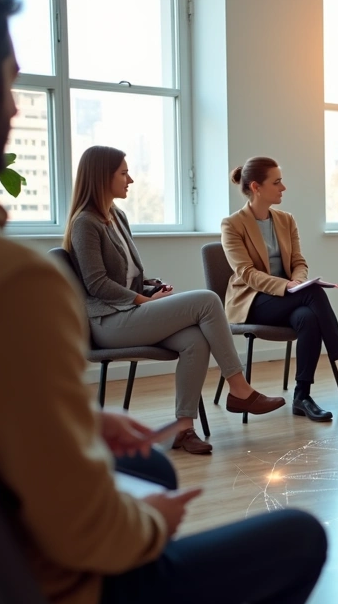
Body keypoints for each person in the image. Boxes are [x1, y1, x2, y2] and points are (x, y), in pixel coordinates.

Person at [0, 0, 325, 604]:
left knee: (149, 462)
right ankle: (227, 399)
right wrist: (150, 525)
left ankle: (190, 419)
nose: (13, 106)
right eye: (12, 84)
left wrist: (78, 425)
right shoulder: (4, 283)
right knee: (298, 537)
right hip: (45, 596)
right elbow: (85, 531)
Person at [66, 145, 285, 455]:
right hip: (108, 323)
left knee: (195, 339)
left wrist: (151, 287)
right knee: (208, 300)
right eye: (124, 173)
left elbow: (125, 274)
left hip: (128, 311)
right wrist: (143, 299)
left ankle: (184, 428)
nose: (130, 180)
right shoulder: (84, 224)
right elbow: (97, 284)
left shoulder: (116, 216)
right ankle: (239, 388)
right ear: (102, 177)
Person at [221, 156, 338, 422]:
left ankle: (302, 396)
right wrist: (289, 286)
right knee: (314, 293)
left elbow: (299, 262)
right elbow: (247, 274)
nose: (283, 188)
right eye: (277, 182)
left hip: (290, 300)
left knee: (308, 317)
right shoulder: (232, 225)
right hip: (253, 302)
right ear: (256, 187)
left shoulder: (286, 220)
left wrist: (297, 282)